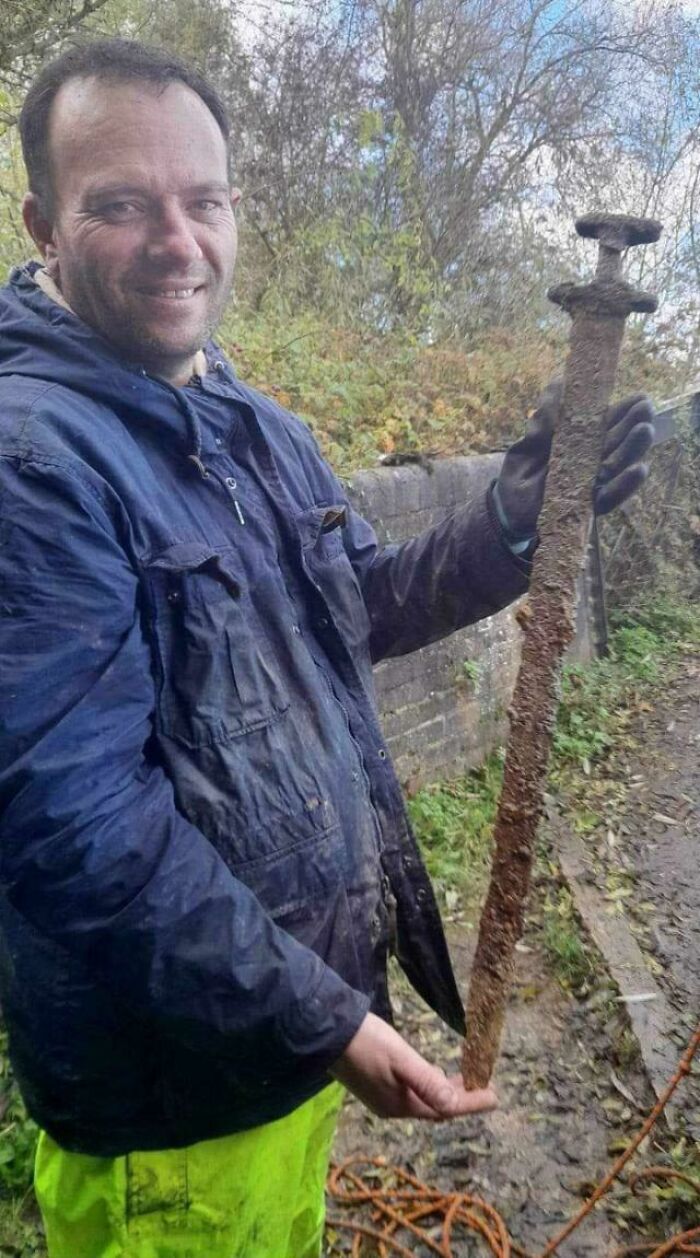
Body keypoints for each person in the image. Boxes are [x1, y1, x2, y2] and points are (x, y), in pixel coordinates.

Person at [0, 38, 655, 1258]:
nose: (175, 241)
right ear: (42, 219)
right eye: (121, 205)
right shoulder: (32, 461)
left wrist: (513, 517)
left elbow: (354, 603)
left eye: (202, 201)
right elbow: (75, 828)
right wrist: (328, 1024)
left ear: (236, 208)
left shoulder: (246, 420)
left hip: (275, 1043)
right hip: (173, 1104)